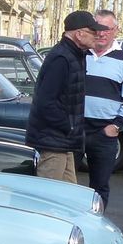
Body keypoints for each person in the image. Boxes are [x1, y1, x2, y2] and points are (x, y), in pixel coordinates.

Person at [26, 10, 99, 183]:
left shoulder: (76, 54)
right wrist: (70, 126)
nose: (97, 35)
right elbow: (45, 102)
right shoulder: (61, 58)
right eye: (93, 32)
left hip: (64, 141)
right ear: (79, 34)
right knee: (49, 193)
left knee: (70, 192)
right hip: (53, 141)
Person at [83, 10, 123, 207]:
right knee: (66, 184)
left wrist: (116, 126)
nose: (101, 33)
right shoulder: (80, 54)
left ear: (116, 30)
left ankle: (95, 224)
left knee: (99, 187)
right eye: (97, 28)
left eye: (106, 29)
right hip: (74, 129)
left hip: (104, 133)